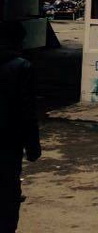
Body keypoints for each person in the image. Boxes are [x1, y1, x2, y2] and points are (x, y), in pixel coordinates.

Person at [0, 22, 41, 233]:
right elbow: (27, 111)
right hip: (8, 141)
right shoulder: (22, 67)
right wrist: (33, 145)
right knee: (8, 194)